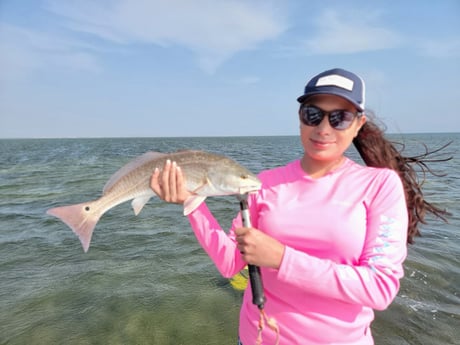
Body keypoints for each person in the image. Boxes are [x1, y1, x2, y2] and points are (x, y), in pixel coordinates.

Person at [150, 68, 448, 344]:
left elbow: (379, 288)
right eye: (313, 114)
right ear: (300, 116)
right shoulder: (262, 184)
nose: (324, 128)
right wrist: (193, 205)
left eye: (340, 117)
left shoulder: (380, 185)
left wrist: (282, 258)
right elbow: (230, 263)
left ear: (358, 124)